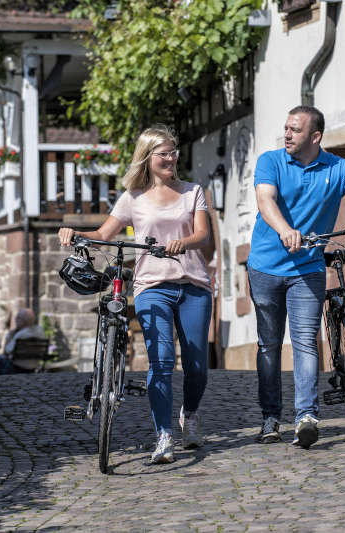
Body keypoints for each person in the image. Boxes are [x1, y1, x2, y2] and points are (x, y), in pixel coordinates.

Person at [248, 105, 345, 449]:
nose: (287, 134)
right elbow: (266, 201)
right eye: (286, 128)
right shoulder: (271, 161)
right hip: (265, 267)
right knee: (270, 346)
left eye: (295, 129)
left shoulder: (339, 168)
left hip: (307, 268)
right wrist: (285, 230)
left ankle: (306, 416)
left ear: (315, 136)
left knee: (305, 342)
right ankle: (270, 417)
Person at [58, 125, 212, 464]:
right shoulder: (133, 198)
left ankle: (190, 412)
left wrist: (182, 243)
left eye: (173, 152)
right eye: (164, 153)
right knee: (160, 360)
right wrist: (73, 232)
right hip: (151, 286)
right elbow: (103, 233)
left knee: (197, 365)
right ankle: (164, 436)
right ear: (148, 157)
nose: (171, 158)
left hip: (193, 284)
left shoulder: (193, 191)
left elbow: (202, 234)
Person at [0, 308, 47, 375]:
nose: (16, 321)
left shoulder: (21, 334)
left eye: (18, 318)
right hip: (32, 368)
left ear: (23, 321)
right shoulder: (40, 331)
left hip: (15, 369)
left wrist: (10, 336)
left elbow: (7, 350)